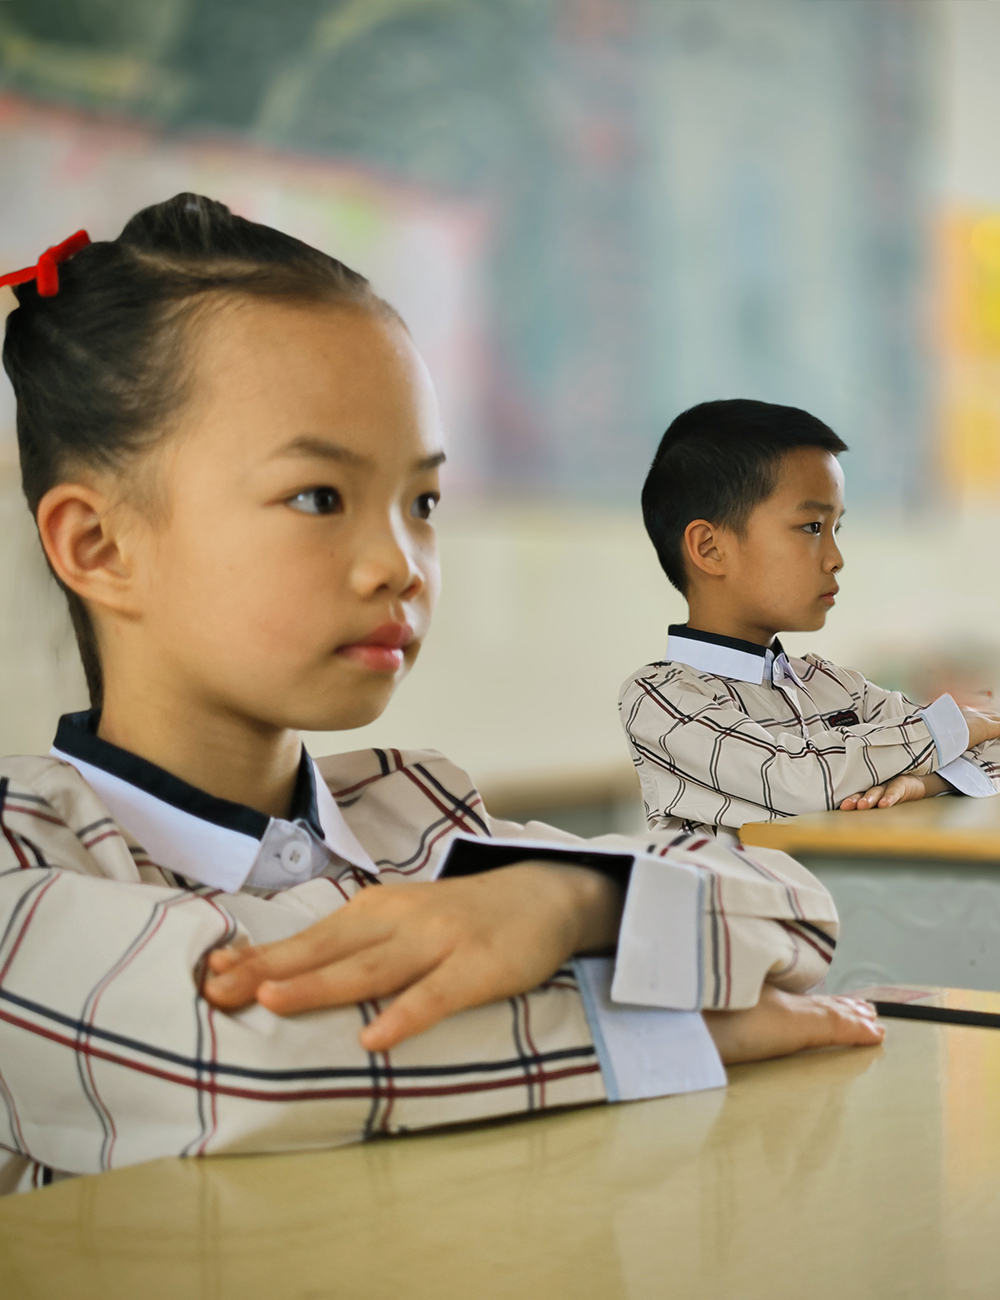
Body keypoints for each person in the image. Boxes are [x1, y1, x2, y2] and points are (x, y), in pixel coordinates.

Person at [0, 200, 881, 1195]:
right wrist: (679, 1026)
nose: (401, 563)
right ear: (100, 546)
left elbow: (797, 918)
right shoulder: (24, 861)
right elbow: (251, 1068)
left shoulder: (414, 810)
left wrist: (571, 901)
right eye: (318, 497)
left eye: (421, 501)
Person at [620, 399, 1000, 844]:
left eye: (836, 529)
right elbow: (799, 779)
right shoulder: (661, 697)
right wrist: (955, 728)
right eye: (812, 527)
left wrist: (926, 783)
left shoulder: (834, 685)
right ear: (710, 548)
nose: (836, 559)